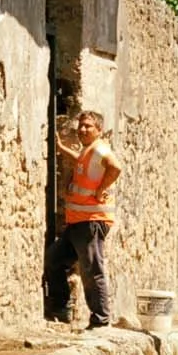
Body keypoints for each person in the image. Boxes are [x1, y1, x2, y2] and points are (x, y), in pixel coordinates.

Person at [44, 108, 121, 329]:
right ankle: (61, 309)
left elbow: (115, 167)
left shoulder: (99, 149)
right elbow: (82, 162)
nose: (83, 129)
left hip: (92, 221)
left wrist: (101, 189)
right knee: (55, 259)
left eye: (88, 126)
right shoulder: (89, 151)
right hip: (79, 222)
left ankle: (100, 320)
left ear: (99, 130)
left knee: (91, 269)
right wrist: (62, 149)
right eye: (81, 125)